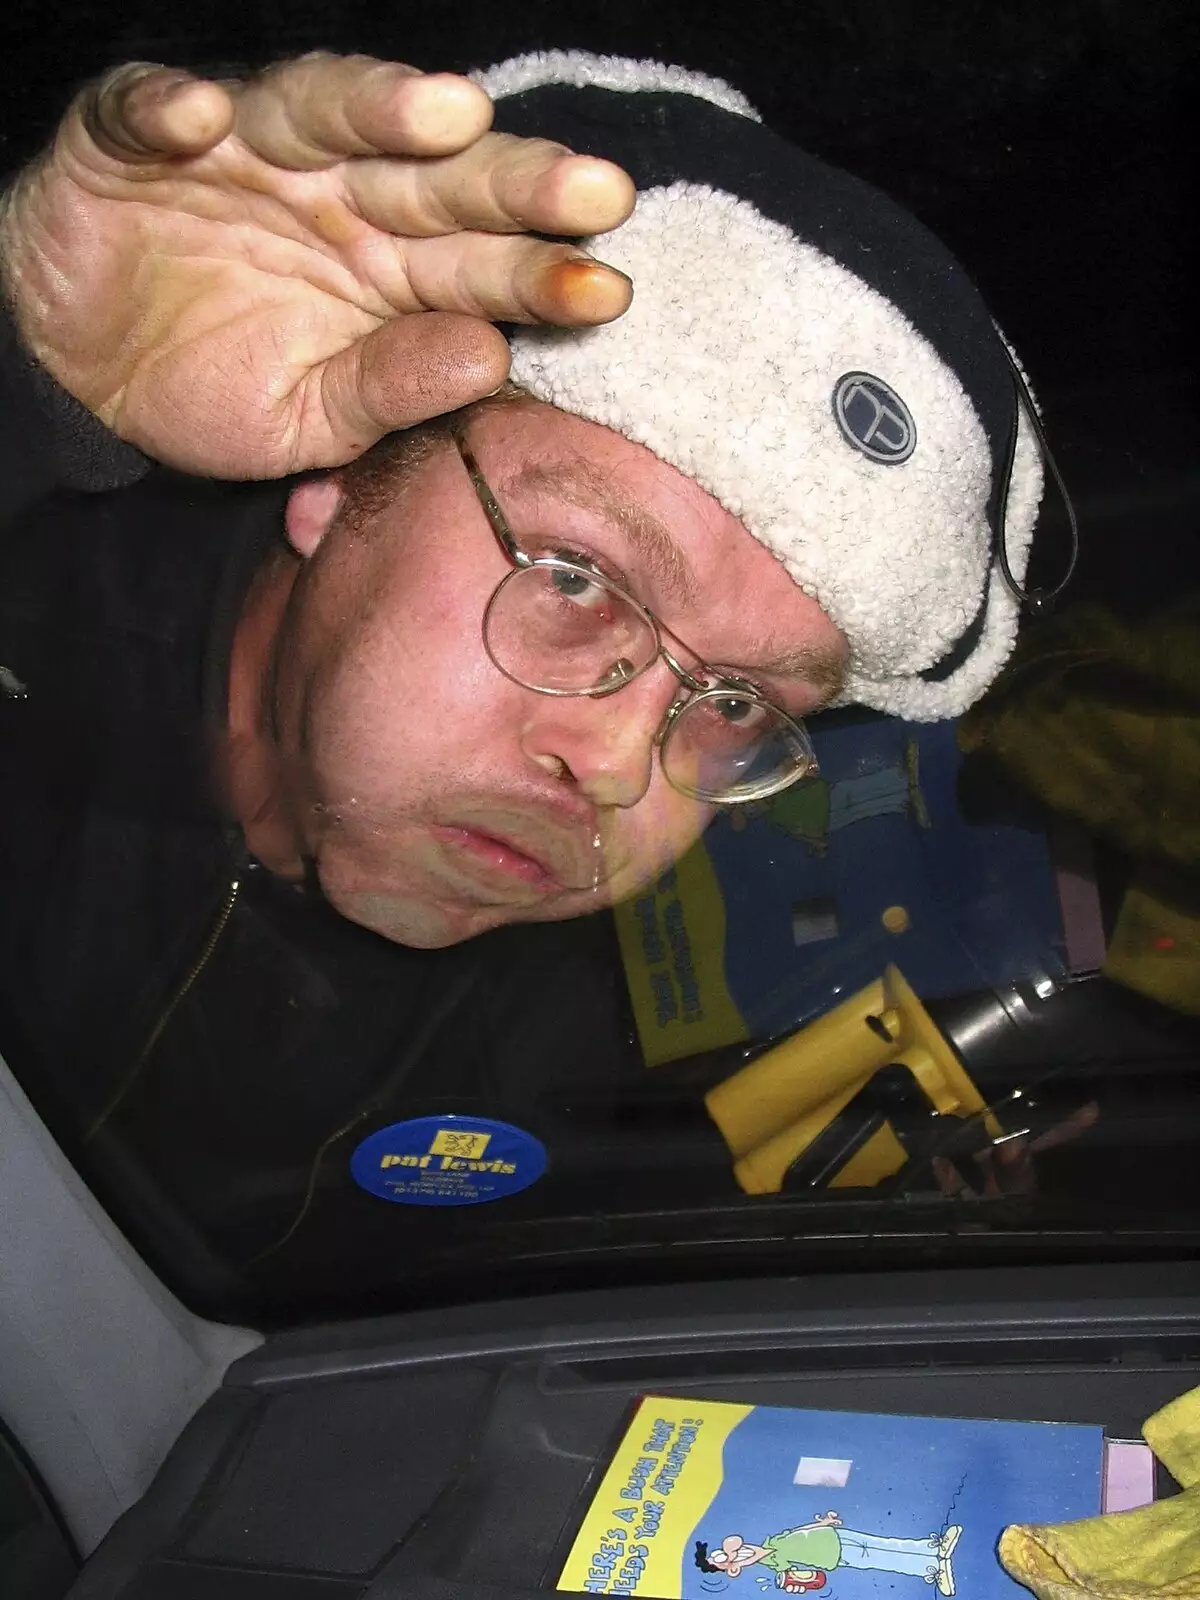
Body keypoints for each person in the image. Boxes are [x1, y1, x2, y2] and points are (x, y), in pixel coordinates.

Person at [0, 50, 1050, 1297]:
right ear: (344, 472)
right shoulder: (34, 618)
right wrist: (20, 377)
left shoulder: (542, 1060)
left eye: (739, 703)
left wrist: (914, 1235)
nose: (614, 770)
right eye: (575, 581)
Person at [696, 1515, 963, 1595]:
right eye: (736, 1558)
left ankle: (932, 1549)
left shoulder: (772, 1540)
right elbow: (802, 1578)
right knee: (881, 1560)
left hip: (834, 1536)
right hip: (833, 1557)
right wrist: (796, 1585)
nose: (743, 1552)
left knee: (882, 1543)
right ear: (734, 1569)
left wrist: (823, 1522)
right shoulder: (774, 1564)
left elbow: (799, 1530)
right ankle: (930, 1570)